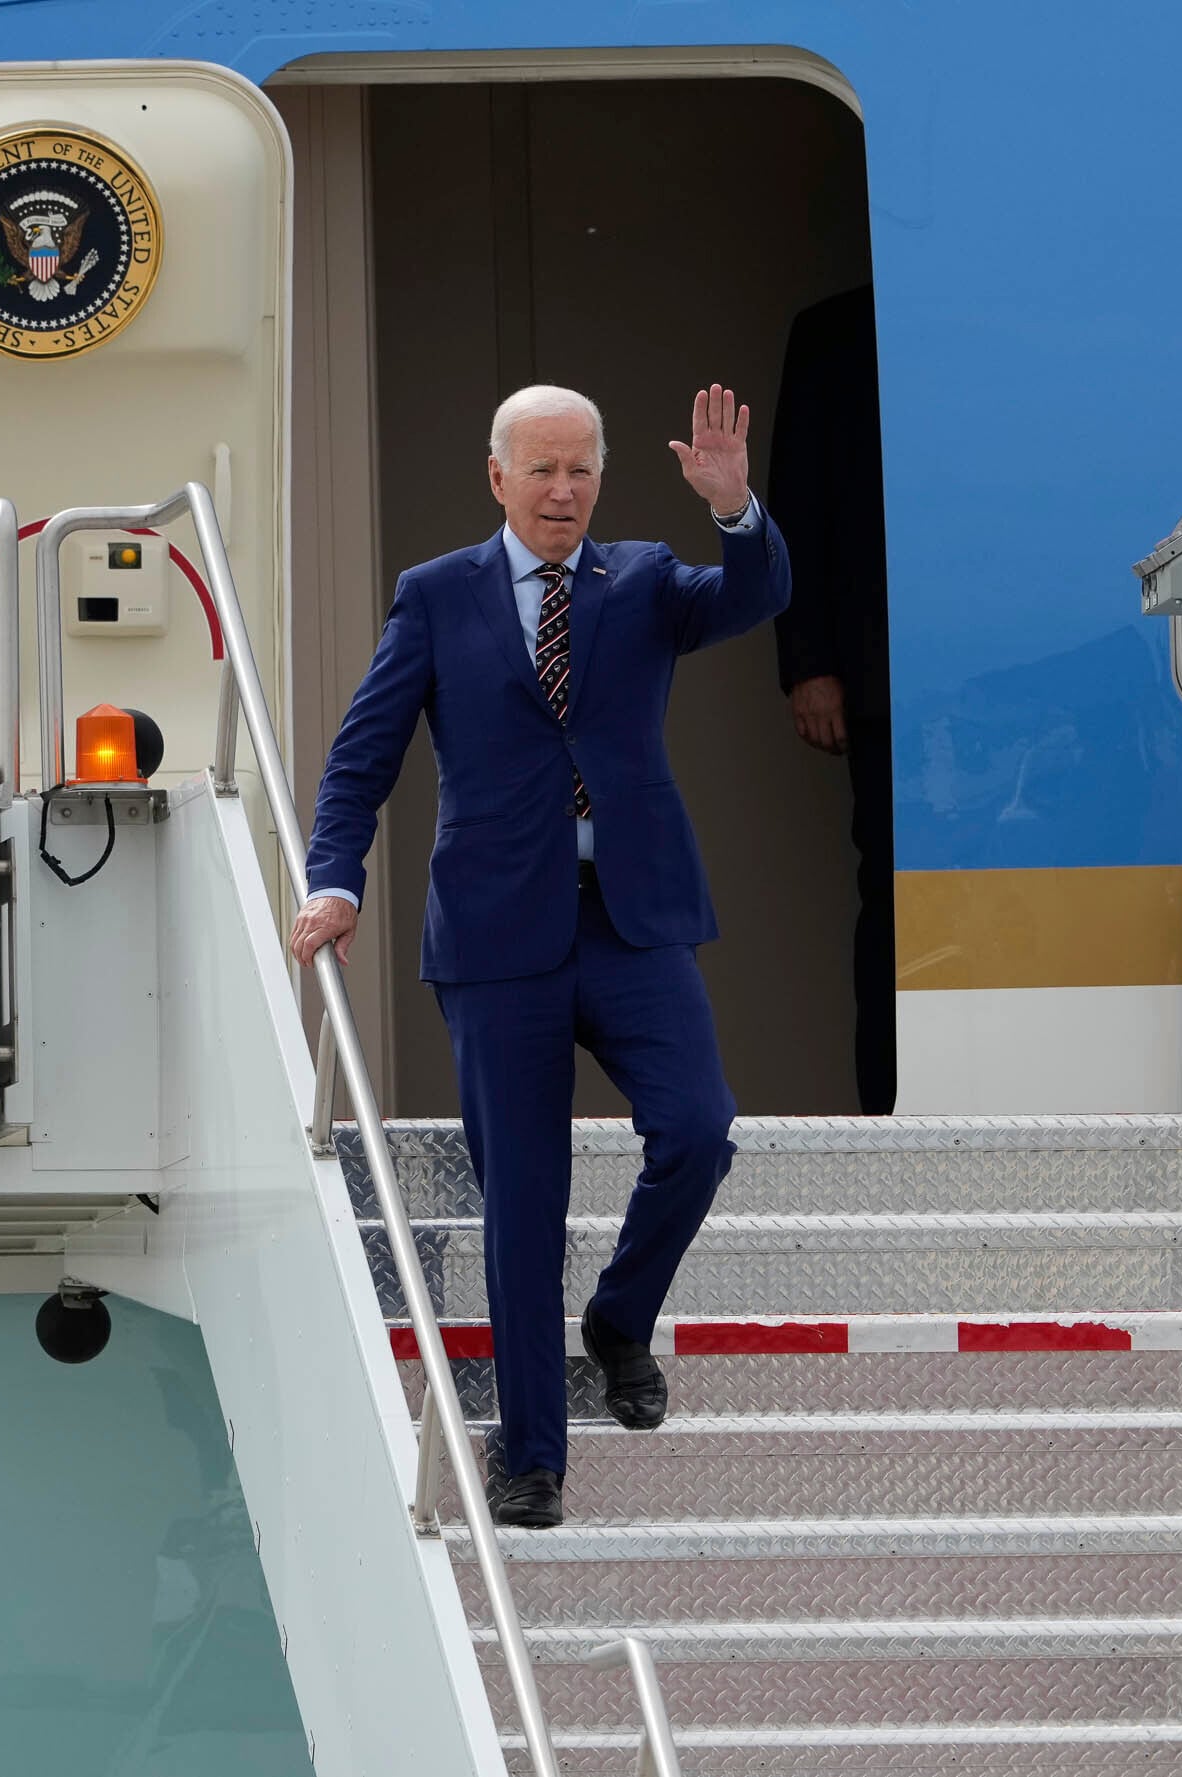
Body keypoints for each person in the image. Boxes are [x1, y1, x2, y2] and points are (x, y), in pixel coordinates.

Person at [290, 384, 790, 1528]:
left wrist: (734, 509)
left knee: (698, 1129)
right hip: (495, 935)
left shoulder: (648, 579)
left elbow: (756, 595)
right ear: (497, 476)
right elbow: (361, 758)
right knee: (523, 1199)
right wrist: (335, 879)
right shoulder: (435, 596)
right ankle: (531, 1457)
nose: (563, 491)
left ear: (602, 479)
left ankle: (618, 1319)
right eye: (542, 470)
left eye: (581, 471)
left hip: (632, 920)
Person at [768, 284, 895, 1115]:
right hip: (878, 667)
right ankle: (886, 1103)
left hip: (1010, 663)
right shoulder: (834, 328)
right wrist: (806, 661)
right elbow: (797, 501)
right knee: (888, 885)